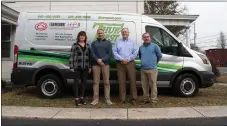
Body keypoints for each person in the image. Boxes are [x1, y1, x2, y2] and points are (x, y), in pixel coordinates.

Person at [112, 27, 138, 105]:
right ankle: (122, 99)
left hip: (130, 63)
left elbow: (135, 52)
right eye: (123, 32)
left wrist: (127, 59)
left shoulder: (133, 42)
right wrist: (122, 59)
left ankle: (134, 99)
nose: (124, 33)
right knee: (121, 82)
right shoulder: (117, 41)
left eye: (126, 32)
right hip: (120, 63)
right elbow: (114, 52)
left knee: (132, 81)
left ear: (128, 33)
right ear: (121, 33)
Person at [90, 29, 113, 105]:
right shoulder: (94, 43)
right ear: (97, 34)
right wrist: (98, 60)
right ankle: (95, 99)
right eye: (99, 33)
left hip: (105, 65)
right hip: (96, 65)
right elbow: (92, 53)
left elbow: (109, 54)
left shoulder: (108, 43)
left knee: (106, 82)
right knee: (96, 82)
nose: (100, 34)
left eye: (101, 33)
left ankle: (107, 99)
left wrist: (102, 60)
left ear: (104, 34)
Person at [69, 31, 92, 106]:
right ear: (78, 37)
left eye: (83, 36)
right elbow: (71, 56)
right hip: (77, 67)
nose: (82, 37)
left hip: (85, 67)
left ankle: (81, 97)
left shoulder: (88, 46)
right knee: (76, 82)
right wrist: (71, 66)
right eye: (81, 36)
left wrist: (90, 66)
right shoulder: (75, 45)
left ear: (85, 37)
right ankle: (76, 98)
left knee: (84, 82)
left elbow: (90, 57)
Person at [138, 32, 162, 104]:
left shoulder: (155, 46)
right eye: (145, 37)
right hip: (143, 69)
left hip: (152, 69)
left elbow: (159, 56)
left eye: (148, 37)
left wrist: (154, 63)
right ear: (143, 39)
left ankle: (153, 100)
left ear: (150, 38)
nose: (146, 38)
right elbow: (140, 56)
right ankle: (146, 99)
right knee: (144, 86)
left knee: (153, 85)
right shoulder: (141, 47)